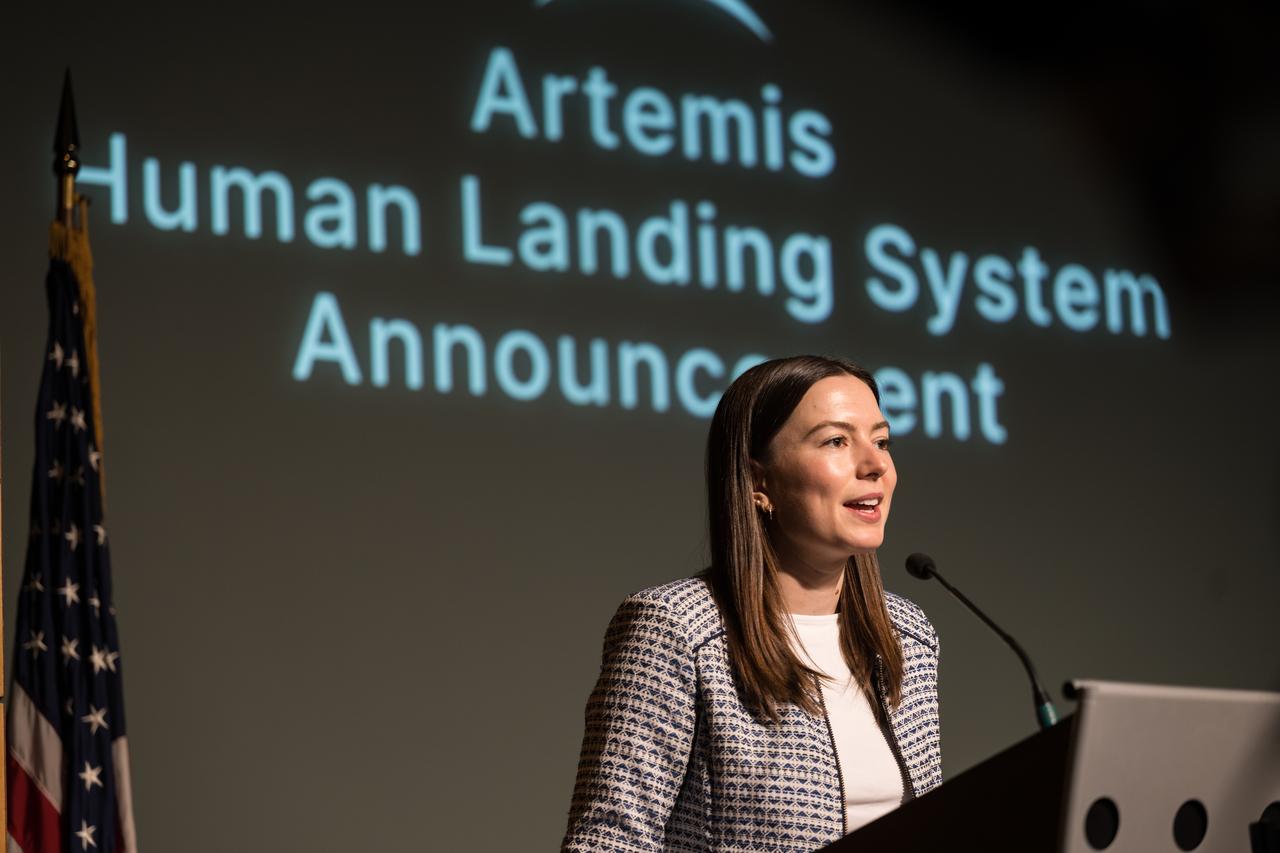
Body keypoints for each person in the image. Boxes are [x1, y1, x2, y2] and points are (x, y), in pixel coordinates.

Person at [562, 355, 942, 852]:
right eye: (836, 441)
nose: (875, 465)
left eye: (882, 441)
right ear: (757, 479)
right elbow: (608, 843)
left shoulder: (908, 635)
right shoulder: (676, 629)